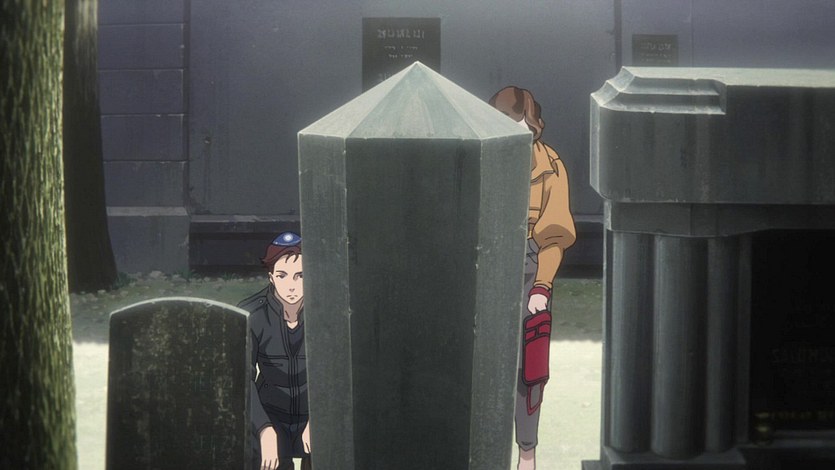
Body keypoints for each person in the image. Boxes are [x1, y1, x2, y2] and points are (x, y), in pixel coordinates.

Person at [489, 86, 576, 470]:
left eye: (525, 130)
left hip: (530, 266)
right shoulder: (481, 158)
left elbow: (553, 238)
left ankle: (527, 454)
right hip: (487, 261)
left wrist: (541, 286)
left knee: (531, 369)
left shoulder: (550, 166)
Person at [238, 232, 311, 470]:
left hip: (314, 412)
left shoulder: (326, 310)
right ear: (271, 277)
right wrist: (264, 429)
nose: (291, 286)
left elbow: (339, 372)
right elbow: (242, 379)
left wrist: (320, 418)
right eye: (282, 275)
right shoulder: (252, 313)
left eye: (300, 275)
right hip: (270, 414)